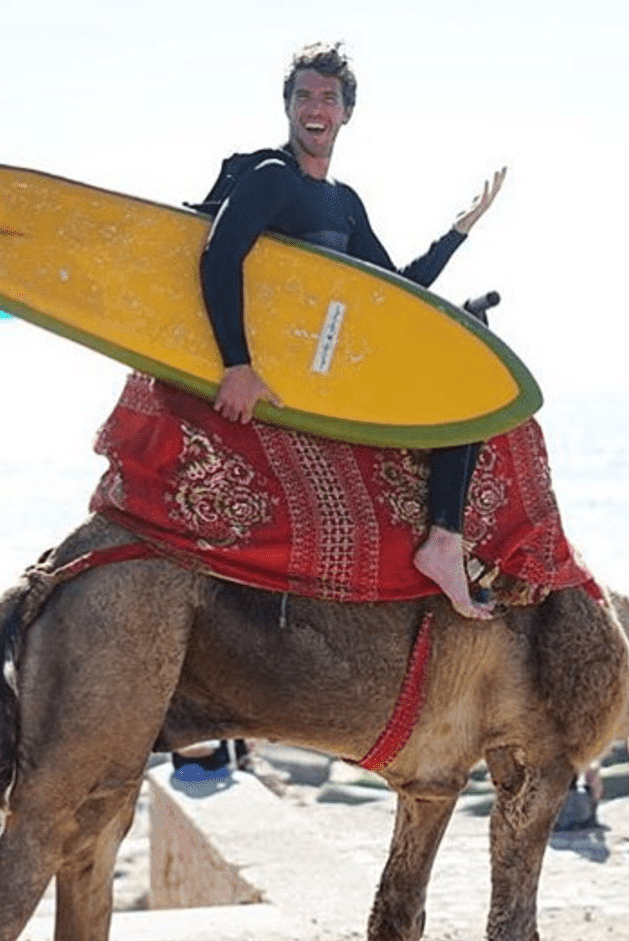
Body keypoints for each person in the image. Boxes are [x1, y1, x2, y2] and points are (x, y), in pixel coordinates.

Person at [198, 41, 506, 619]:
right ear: (288, 106)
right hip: (296, 369)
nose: (316, 108)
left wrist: (457, 231)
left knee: (469, 346)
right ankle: (444, 542)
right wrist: (237, 364)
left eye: (329, 98)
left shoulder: (344, 203)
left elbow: (392, 293)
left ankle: (444, 539)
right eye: (305, 96)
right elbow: (219, 258)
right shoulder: (269, 177)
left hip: (339, 359)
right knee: (466, 385)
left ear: (346, 112)